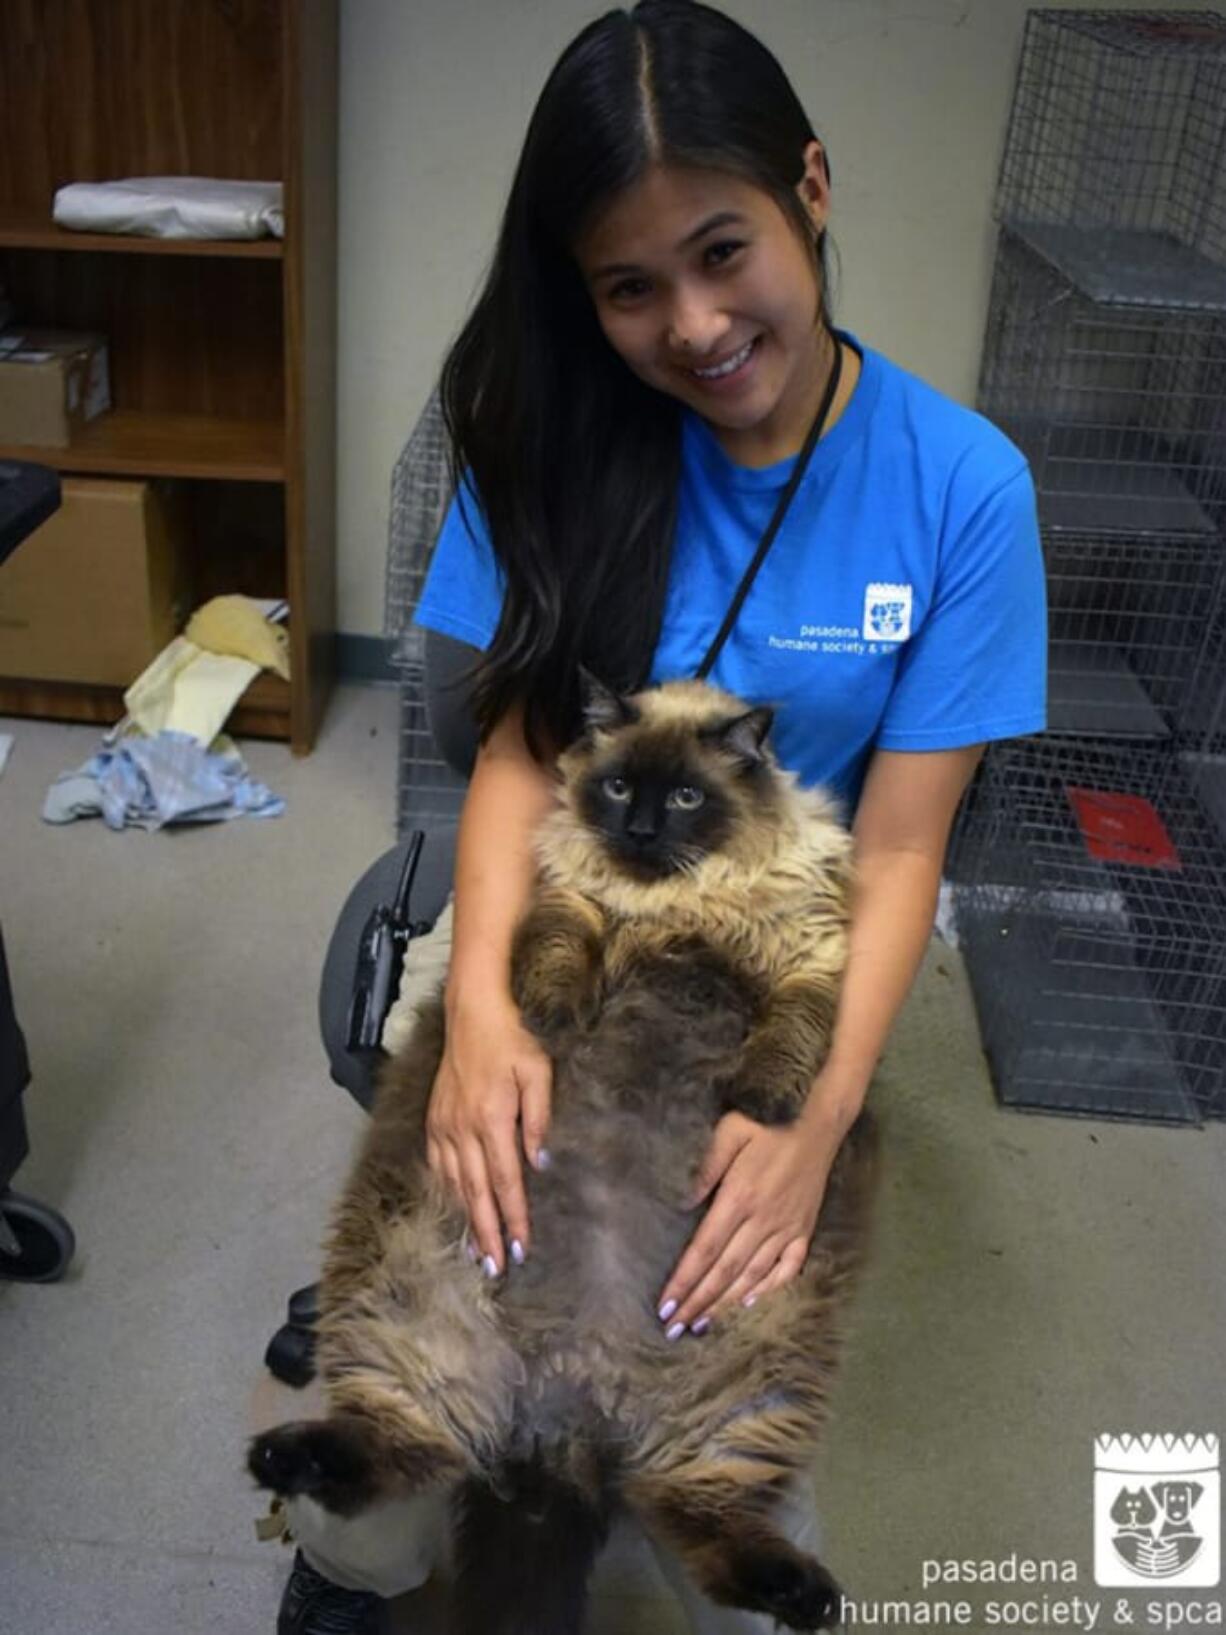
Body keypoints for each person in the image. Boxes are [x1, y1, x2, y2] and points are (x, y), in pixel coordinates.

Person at [271, 1, 1045, 1629]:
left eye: (721, 252)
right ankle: (358, 1545)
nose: (692, 325)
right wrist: (476, 1012)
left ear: (810, 191)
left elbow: (902, 849)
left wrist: (817, 1120)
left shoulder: (960, 487)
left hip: (759, 986)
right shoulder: (546, 445)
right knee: (387, 1495)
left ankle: (689, 1510)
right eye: (631, 287)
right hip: (551, 933)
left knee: (716, 1430)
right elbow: (507, 757)